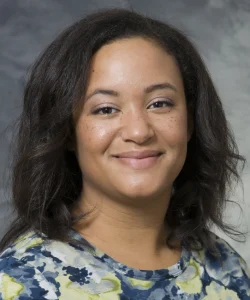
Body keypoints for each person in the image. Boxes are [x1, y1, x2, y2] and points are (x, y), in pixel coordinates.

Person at [0, 7, 249, 300]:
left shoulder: (227, 268)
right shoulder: (22, 282)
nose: (139, 131)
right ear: (66, 132)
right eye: (106, 109)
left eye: (159, 103)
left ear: (191, 121)